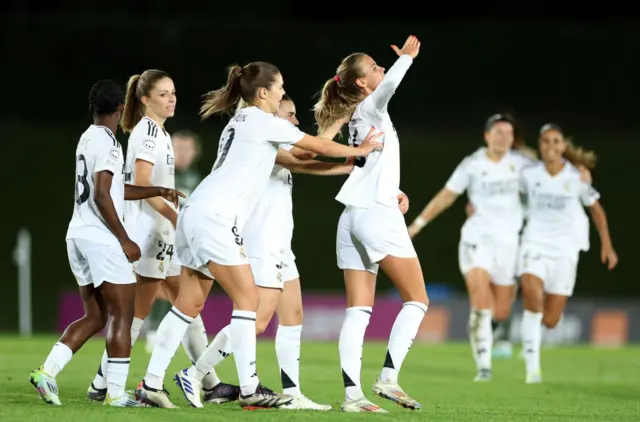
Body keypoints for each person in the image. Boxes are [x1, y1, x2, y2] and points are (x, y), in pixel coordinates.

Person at [135, 61, 383, 409]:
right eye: (279, 86)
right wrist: (359, 151)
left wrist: (349, 165)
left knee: (188, 303)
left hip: (196, 213)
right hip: (217, 218)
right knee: (249, 300)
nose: (283, 91)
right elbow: (314, 145)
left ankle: (152, 383)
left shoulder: (241, 123)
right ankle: (250, 387)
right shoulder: (262, 121)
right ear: (263, 92)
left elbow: (297, 160)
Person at [175, 95, 359, 410]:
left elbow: (304, 163)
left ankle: (293, 393)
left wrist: (345, 168)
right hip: (262, 240)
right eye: (290, 114)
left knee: (293, 316)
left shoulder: (272, 145)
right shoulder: (264, 141)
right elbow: (304, 154)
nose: (296, 121)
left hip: (280, 243)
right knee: (258, 320)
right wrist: (337, 125)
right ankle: (195, 373)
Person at [29, 79, 183, 407]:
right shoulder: (111, 145)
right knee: (124, 314)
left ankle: (47, 372)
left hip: (77, 235)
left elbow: (113, 189)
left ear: (92, 109)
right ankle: (114, 393)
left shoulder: (86, 138)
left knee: (97, 316)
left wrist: (156, 190)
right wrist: (124, 239)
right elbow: (102, 195)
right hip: (100, 239)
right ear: (121, 110)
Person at [87, 70, 217, 401]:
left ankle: (212, 383)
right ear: (145, 100)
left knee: (188, 303)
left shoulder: (158, 131)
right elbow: (142, 184)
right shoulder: (147, 131)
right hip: (150, 234)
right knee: (139, 314)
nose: (171, 98)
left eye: (173, 92)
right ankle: (102, 382)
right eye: (162, 94)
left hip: (161, 232)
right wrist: (176, 217)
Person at [312, 35, 425, 413]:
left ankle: (352, 397)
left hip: (354, 214)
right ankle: (388, 378)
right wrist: (406, 59)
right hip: (376, 214)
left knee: (358, 309)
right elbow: (390, 85)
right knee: (417, 300)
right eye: (375, 67)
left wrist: (396, 189)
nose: (381, 69)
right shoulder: (371, 106)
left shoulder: (362, 116)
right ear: (361, 83)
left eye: (382, 65)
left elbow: (372, 165)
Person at [407, 113, 537, 382]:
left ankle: (488, 330)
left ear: (514, 139)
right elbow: (447, 195)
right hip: (476, 239)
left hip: (509, 244)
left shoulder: (523, 165)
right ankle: (484, 367)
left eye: (508, 133)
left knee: (500, 311)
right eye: (498, 132)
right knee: (480, 296)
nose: (503, 138)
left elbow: (547, 183)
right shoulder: (473, 164)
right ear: (487, 136)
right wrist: (417, 224)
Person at [518, 123, 617, 384]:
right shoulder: (528, 175)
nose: (551, 146)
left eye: (555, 141)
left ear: (563, 146)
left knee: (550, 320)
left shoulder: (577, 178)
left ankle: (536, 339)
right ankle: (532, 369)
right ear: (540, 146)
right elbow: (512, 199)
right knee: (532, 300)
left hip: (565, 251)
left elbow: (597, 211)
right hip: (533, 244)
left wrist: (607, 245)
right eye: (546, 141)